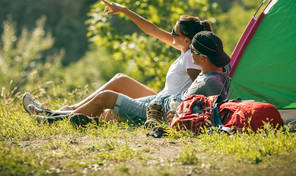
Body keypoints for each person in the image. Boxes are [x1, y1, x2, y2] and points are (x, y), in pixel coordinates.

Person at [23, 0, 213, 121]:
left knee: (109, 106)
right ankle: (65, 111)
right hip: (160, 98)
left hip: (164, 104)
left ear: (186, 39)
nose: (170, 35)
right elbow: (153, 30)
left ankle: (54, 115)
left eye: (174, 33)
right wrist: (125, 10)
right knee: (120, 79)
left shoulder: (191, 58)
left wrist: (177, 113)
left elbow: (199, 86)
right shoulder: (184, 49)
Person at [25, 31, 231, 128]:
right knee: (106, 110)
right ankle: (55, 115)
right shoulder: (220, 69)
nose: (191, 56)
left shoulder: (208, 82)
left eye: (193, 52)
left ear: (203, 58)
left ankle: (51, 121)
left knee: (107, 97)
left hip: (157, 111)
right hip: (159, 102)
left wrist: (165, 117)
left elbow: (188, 113)